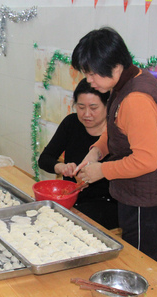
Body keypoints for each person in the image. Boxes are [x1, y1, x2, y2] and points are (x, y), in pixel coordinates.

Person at [71, 27, 157, 261]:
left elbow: (146, 160)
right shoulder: (126, 81)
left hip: (148, 196)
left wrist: (102, 171)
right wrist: (97, 151)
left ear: (113, 64)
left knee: (140, 262)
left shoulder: (136, 99)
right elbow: (116, 129)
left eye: (92, 73)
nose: (89, 81)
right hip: (136, 191)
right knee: (133, 256)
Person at [38, 78, 118, 230]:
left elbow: (124, 173)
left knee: (63, 225)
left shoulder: (116, 132)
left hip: (107, 204)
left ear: (108, 106)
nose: (86, 114)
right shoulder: (71, 124)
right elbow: (44, 159)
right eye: (81, 107)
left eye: (93, 108)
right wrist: (61, 167)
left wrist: (95, 174)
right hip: (73, 199)